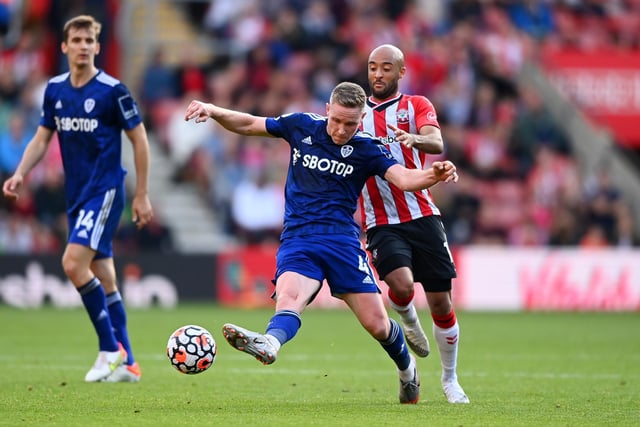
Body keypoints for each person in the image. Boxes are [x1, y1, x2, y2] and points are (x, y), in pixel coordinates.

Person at [184, 81, 458, 404]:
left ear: (361, 119)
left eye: (350, 124)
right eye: (337, 120)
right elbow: (249, 123)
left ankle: (407, 368)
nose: (341, 130)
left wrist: (434, 175)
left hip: (341, 242)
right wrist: (213, 110)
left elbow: (403, 178)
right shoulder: (301, 126)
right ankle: (270, 343)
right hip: (299, 238)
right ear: (327, 110)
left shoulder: (368, 148)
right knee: (288, 296)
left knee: (378, 324)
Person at [2, 15, 153, 383]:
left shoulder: (112, 90)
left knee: (72, 263)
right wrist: (21, 172)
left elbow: (139, 139)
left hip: (104, 190)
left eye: (90, 40)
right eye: (77, 40)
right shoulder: (55, 90)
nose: (84, 46)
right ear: (65, 47)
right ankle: (129, 363)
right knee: (104, 275)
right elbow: (41, 138)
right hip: (77, 193)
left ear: (98, 47)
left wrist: (143, 194)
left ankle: (109, 349)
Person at [360, 44, 469, 403]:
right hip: (381, 220)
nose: (378, 74)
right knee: (402, 284)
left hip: (422, 214)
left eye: (386, 68)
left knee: (440, 302)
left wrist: (413, 138)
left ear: (401, 72)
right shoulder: (355, 115)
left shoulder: (416, 105)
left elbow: (436, 141)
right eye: (373, 68)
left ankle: (450, 379)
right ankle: (408, 321)